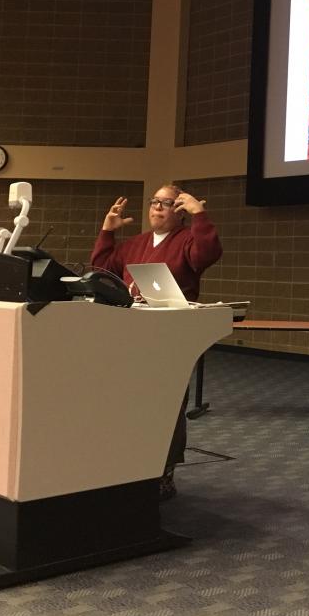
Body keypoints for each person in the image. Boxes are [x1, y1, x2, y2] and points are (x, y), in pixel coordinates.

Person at [91, 183, 223, 500]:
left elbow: (208, 254)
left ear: (179, 211)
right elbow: (100, 269)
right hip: (131, 335)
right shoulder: (135, 243)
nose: (157, 207)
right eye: (154, 202)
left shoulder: (187, 240)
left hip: (170, 339)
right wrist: (107, 232)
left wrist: (199, 215)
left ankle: (164, 472)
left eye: (166, 203)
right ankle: (128, 468)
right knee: (130, 404)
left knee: (166, 406)